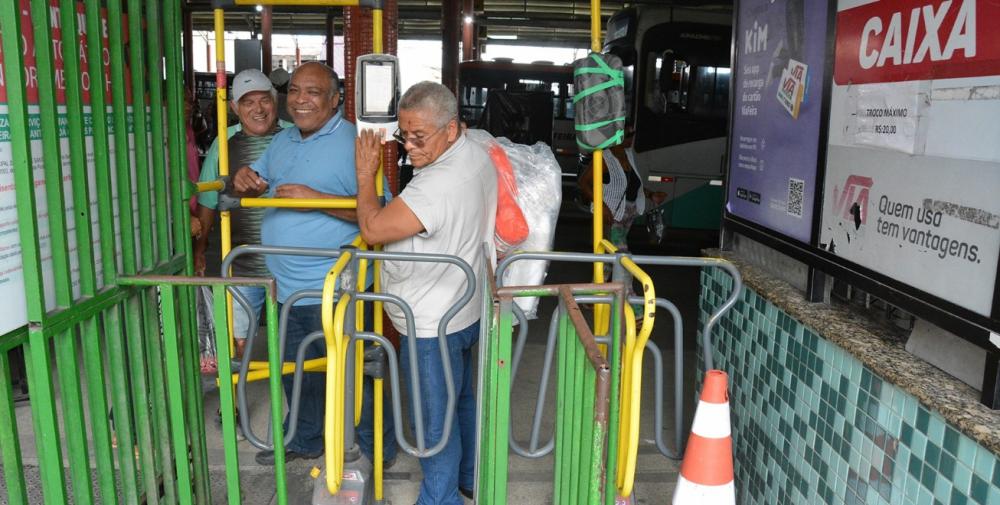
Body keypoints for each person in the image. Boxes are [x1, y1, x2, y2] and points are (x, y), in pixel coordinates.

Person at [231, 62, 395, 466]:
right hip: (285, 284)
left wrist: (315, 198)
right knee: (294, 369)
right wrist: (245, 178)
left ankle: (377, 447)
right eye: (295, 91)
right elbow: (260, 176)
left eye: (313, 92)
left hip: (338, 286)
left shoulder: (357, 141)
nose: (300, 100)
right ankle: (305, 439)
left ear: (336, 99)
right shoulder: (284, 141)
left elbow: (383, 214)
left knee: (358, 372)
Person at [354, 81, 497, 505]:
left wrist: (365, 175)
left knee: (434, 423)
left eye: (419, 137)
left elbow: (372, 229)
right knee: (462, 402)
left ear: (451, 129)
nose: (409, 147)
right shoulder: (477, 153)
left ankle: (440, 498)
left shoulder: (434, 186)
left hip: (431, 323)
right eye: (404, 135)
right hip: (465, 309)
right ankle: (469, 478)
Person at [194, 69, 291, 359]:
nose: (258, 109)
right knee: (238, 339)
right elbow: (209, 201)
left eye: (264, 100)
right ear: (235, 107)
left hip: (291, 262)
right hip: (242, 259)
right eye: (248, 102)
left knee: (291, 337)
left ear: (275, 101)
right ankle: (233, 400)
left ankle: (292, 399)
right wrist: (201, 250)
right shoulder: (222, 144)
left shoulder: (293, 137)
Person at [577, 133, 645, 253]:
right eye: (628, 135)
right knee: (621, 254)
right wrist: (601, 206)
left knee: (609, 257)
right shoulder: (604, 158)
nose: (632, 139)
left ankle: (606, 271)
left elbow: (630, 184)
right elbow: (583, 183)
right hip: (612, 214)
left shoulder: (628, 155)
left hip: (628, 213)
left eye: (633, 135)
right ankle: (620, 272)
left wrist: (650, 194)